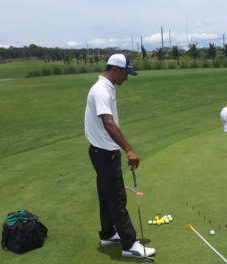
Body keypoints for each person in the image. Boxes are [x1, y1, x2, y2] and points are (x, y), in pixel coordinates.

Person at [85, 54, 155, 258]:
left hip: (101, 151)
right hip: (105, 153)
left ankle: (108, 234)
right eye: (126, 73)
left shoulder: (106, 87)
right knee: (117, 198)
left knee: (107, 197)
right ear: (115, 69)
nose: (127, 77)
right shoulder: (100, 91)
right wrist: (129, 149)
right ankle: (129, 245)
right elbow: (108, 122)